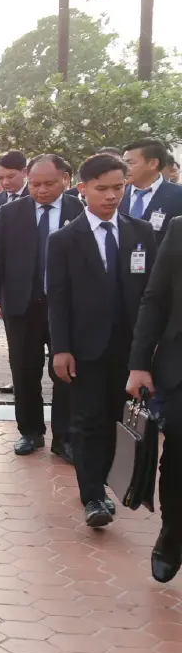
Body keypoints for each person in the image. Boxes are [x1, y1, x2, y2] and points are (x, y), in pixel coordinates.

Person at [49, 152, 155, 530]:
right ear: (83, 189)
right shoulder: (64, 240)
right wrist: (61, 348)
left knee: (118, 419)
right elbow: (58, 299)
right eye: (102, 189)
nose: (111, 196)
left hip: (130, 349)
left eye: (118, 188)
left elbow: (152, 294)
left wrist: (150, 347)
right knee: (88, 420)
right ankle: (92, 495)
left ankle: (110, 482)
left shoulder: (141, 233)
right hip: (85, 348)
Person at [0, 154, 83, 459]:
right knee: (24, 370)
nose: (41, 190)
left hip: (66, 307)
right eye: (35, 183)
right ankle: (30, 431)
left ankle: (64, 437)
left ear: (65, 179)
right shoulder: (11, 211)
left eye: (49, 183)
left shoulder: (79, 209)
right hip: (21, 304)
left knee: (66, 372)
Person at [128, 205, 182, 583]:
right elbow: (156, 299)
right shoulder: (179, 230)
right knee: (178, 460)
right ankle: (173, 533)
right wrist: (139, 364)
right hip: (180, 369)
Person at [121, 137, 182, 244]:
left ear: (153, 163)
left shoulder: (178, 195)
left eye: (130, 163)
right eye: (123, 163)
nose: (124, 168)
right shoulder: (116, 193)